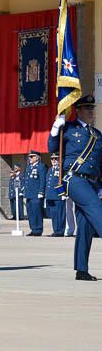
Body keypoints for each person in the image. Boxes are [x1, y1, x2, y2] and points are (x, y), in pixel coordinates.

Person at [48, 94, 102, 280]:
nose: (91, 111)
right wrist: (56, 127)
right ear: (77, 110)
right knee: (97, 210)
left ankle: (81, 269)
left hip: (93, 183)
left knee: (86, 225)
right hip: (75, 179)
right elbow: (51, 147)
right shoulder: (69, 128)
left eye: (92, 108)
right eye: (87, 108)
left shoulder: (97, 134)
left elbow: (100, 164)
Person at [24, 151, 47, 236]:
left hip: (36, 194)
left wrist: (41, 191)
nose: (30, 158)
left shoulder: (41, 167)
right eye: (29, 157)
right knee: (30, 212)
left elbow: (42, 180)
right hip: (29, 194)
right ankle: (33, 229)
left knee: (37, 212)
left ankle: (38, 229)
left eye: (32, 157)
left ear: (37, 158)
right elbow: (27, 181)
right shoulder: (29, 167)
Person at [44, 153, 66, 237]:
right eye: (52, 159)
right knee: (53, 215)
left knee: (60, 214)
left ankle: (60, 231)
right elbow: (48, 183)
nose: (53, 160)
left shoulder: (62, 169)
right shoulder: (50, 170)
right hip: (51, 195)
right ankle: (55, 230)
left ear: (59, 159)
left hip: (59, 195)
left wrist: (63, 193)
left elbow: (63, 182)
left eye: (56, 159)